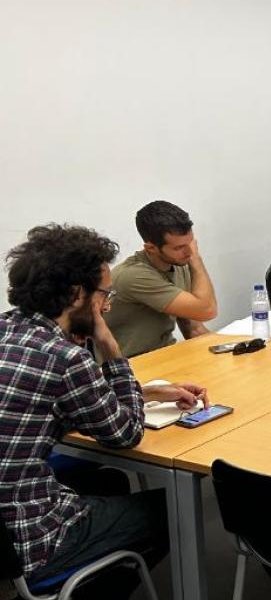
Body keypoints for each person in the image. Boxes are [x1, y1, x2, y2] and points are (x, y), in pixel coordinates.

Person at [0, 224, 208, 598]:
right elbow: (126, 434)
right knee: (176, 510)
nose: (107, 307)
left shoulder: (7, 330)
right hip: (30, 540)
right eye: (104, 295)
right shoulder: (66, 359)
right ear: (77, 294)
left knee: (110, 482)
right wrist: (111, 348)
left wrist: (143, 390)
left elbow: (51, 398)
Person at [105, 201, 217, 357]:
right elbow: (207, 310)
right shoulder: (135, 275)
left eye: (190, 243)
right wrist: (197, 262)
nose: (190, 252)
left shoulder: (178, 263)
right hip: (132, 363)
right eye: (178, 247)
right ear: (151, 248)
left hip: (165, 354)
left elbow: (194, 328)